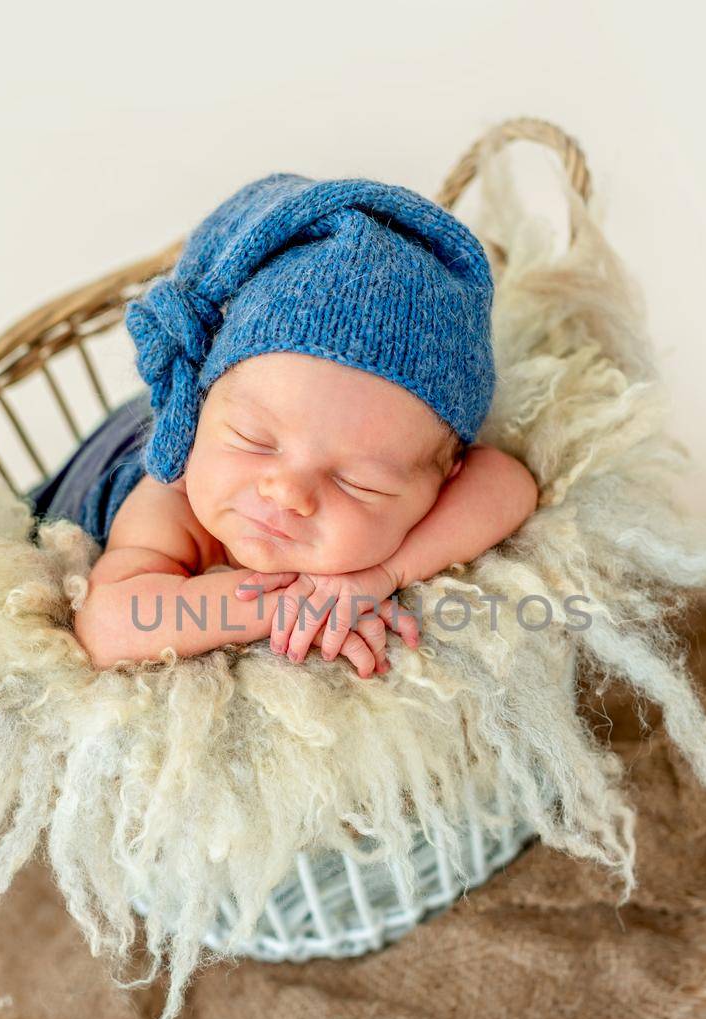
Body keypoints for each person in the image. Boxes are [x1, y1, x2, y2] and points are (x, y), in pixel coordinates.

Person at [35, 172, 538, 676]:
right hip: (105, 459)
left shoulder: (426, 465)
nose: (287, 492)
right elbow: (108, 625)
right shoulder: (175, 495)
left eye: (357, 482)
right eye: (253, 442)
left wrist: (380, 575)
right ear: (205, 410)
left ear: (442, 481)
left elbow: (508, 483)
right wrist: (290, 604)